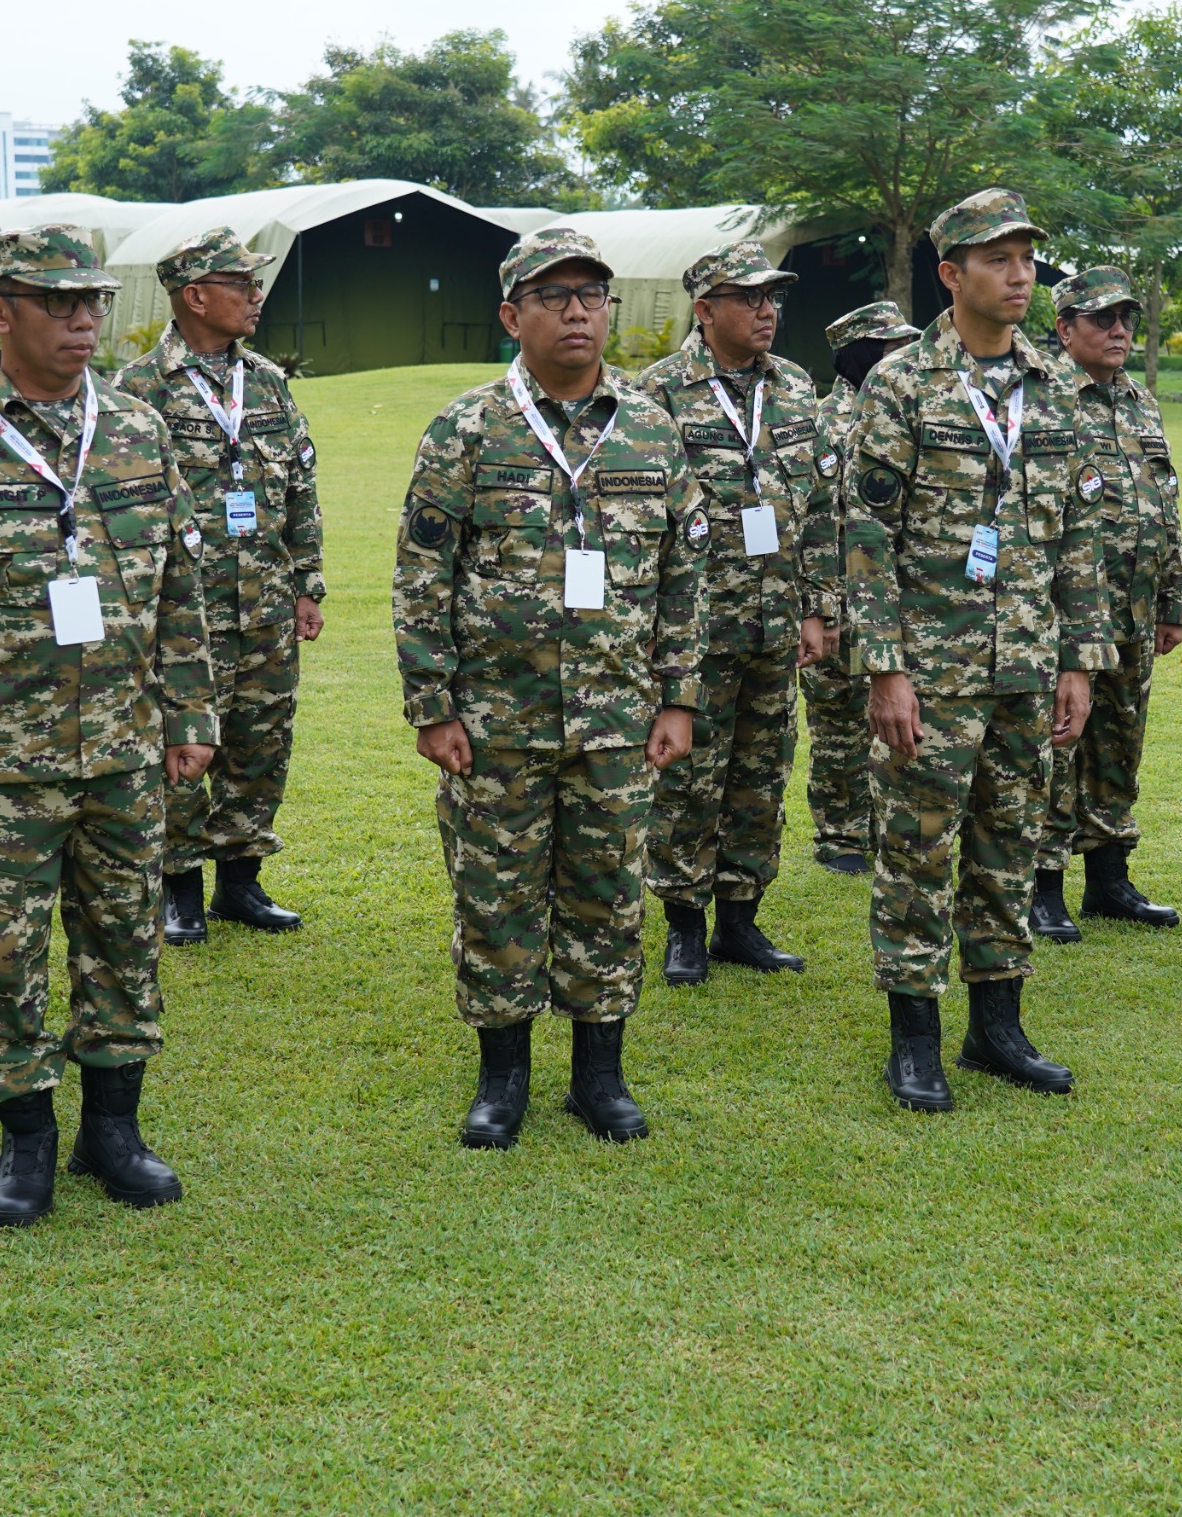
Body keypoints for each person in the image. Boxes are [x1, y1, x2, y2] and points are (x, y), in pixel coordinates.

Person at [0, 224, 217, 1228]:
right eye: (57, 304)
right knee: (1, 951)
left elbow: (183, 585)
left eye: (92, 304)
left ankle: (113, 1130)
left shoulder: (136, 430)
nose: (82, 321)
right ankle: (25, 1134)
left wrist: (190, 710)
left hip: (122, 748)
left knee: (122, 941)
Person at [393, 226, 706, 1149]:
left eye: (591, 295)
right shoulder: (465, 429)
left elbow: (686, 575)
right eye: (554, 295)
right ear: (511, 315)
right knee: (496, 897)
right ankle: (503, 1079)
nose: (577, 310)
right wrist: (433, 707)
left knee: (608, 892)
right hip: (496, 720)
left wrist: (679, 698)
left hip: (618, 715)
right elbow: (421, 577)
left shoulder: (652, 429)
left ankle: (599, 1077)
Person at [841, 187, 1113, 1113]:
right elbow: (865, 536)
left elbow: (1077, 533)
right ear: (952, 274)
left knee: (1009, 845)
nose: (1021, 273)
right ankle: (913, 1038)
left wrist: (1080, 659)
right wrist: (885, 669)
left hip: (1028, 666)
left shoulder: (1056, 383)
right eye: (998, 258)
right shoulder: (903, 384)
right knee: (917, 850)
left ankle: (999, 1027)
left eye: (1028, 256)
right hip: (932, 667)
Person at [111, 228, 321, 945]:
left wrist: (308, 583)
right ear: (195, 296)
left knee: (260, 744)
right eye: (242, 284)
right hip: (183, 614)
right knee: (181, 744)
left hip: (264, 598)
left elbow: (298, 483)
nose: (256, 295)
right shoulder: (138, 390)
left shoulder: (264, 380)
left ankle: (241, 881)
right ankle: (178, 888)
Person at [638, 240, 838, 986]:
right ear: (704, 310)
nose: (765, 310)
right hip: (696, 626)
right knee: (691, 778)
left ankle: (741, 919)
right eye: (748, 298)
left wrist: (817, 609)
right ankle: (684, 924)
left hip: (778, 618)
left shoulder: (793, 386)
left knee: (760, 773)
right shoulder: (656, 394)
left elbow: (817, 510)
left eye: (772, 297)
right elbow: (643, 520)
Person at [1031, 267, 1182, 943]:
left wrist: (1172, 597)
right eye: (1101, 319)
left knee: (1121, 739)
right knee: (1058, 745)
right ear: (1065, 329)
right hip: (1067, 609)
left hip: (1133, 606)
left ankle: (1109, 878)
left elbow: (1165, 504)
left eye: (1127, 317)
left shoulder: (1139, 402)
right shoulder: (1041, 399)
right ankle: (1041, 884)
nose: (1119, 329)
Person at [802, 301, 919, 877]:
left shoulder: (903, 414)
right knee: (837, 721)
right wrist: (821, 606)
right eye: (889, 346)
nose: (902, 355)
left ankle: (882, 821)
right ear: (858, 355)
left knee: (893, 716)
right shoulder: (822, 423)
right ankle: (839, 832)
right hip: (835, 598)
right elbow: (817, 522)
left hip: (889, 598)